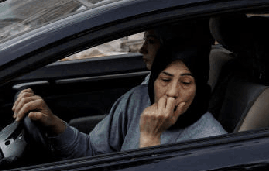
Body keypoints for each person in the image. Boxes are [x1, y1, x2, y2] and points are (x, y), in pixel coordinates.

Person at [14, 39, 225, 157]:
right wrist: (53, 123)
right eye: (165, 80)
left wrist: (150, 138)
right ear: (153, 80)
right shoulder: (137, 101)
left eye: (186, 83)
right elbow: (93, 152)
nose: (172, 92)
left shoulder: (211, 139)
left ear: (199, 88)